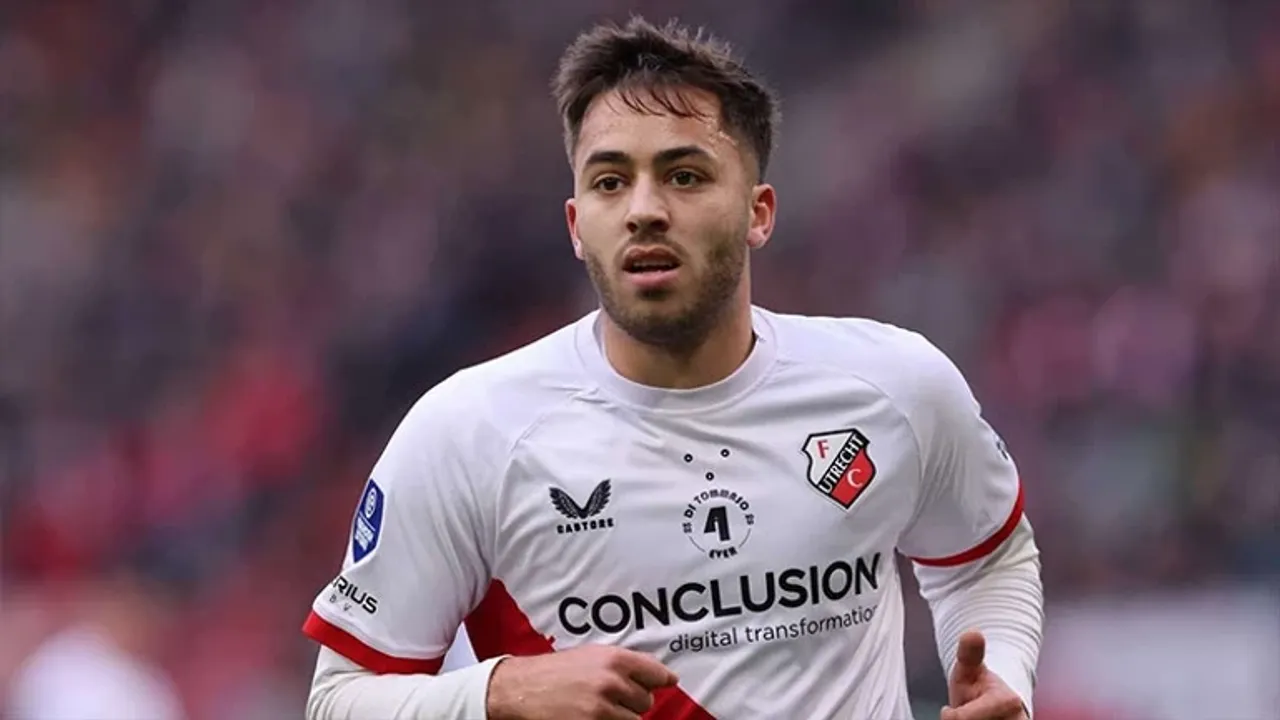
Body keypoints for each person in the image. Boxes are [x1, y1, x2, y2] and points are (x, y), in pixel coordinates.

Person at [302, 16, 1043, 720]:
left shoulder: (893, 389)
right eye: (609, 181)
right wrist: (500, 692)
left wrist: (1000, 674)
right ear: (576, 225)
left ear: (758, 212)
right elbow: (338, 700)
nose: (644, 210)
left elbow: (988, 559)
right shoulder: (470, 433)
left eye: (684, 176)